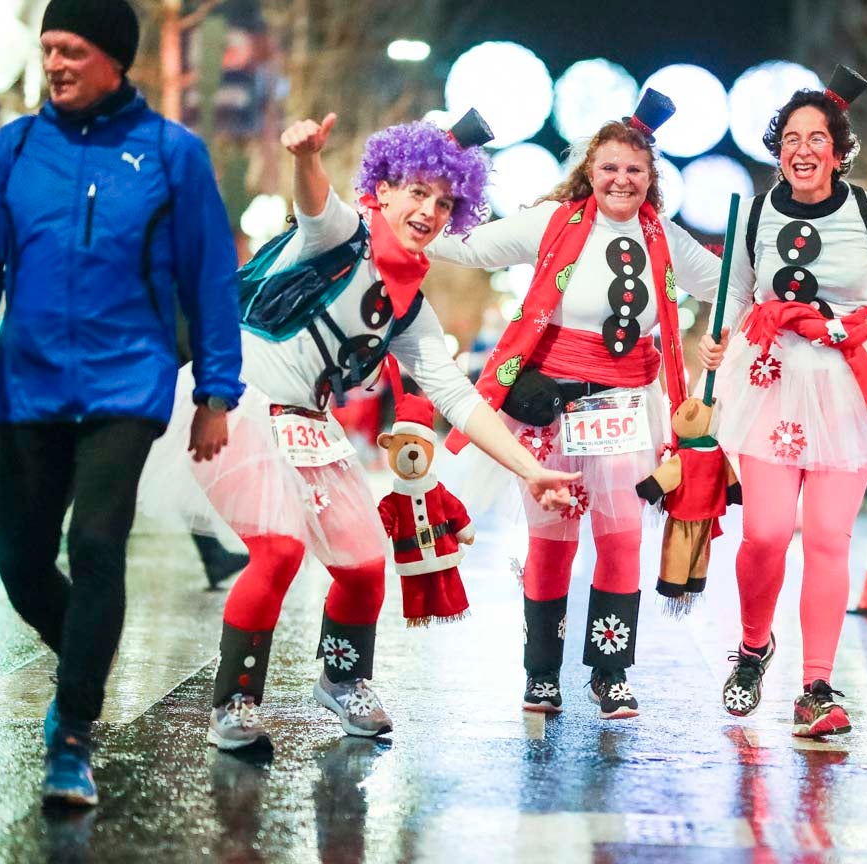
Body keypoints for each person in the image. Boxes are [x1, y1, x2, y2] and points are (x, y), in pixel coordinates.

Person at [138, 109, 577, 756]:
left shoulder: (412, 307)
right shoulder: (340, 234)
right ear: (382, 190)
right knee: (279, 550)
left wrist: (530, 469)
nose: (429, 210)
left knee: (365, 562)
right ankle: (234, 699)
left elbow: (458, 396)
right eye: (418, 192)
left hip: (306, 426)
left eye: (445, 201)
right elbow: (315, 204)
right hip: (234, 399)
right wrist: (306, 156)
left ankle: (343, 679)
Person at [0, 0, 243, 806]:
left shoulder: (172, 154)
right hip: (29, 384)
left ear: (114, 58)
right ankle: (85, 651)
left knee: (98, 543)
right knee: (20, 563)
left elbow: (210, 278)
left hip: (126, 382)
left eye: (72, 49)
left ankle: (72, 731)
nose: (56, 64)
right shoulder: (16, 148)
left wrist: (216, 391)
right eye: (48, 50)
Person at [427, 91, 726, 720]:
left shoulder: (664, 237)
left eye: (635, 170)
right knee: (553, 540)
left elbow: (729, 282)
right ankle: (542, 675)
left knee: (620, 539)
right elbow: (473, 247)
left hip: (624, 405)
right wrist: (407, 221)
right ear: (590, 170)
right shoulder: (553, 222)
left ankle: (609, 673)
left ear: (651, 179)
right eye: (610, 167)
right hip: (549, 404)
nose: (622, 180)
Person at [699, 66, 867, 736]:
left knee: (826, 538)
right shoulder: (753, 213)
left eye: (817, 137)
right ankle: (755, 646)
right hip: (769, 381)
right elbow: (735, 291)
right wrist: (717, 332)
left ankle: (816, 687)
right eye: (790, 136)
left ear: (840, 151)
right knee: (763, 534)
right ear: (776, 148)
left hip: (851, 382)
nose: (803, 148)